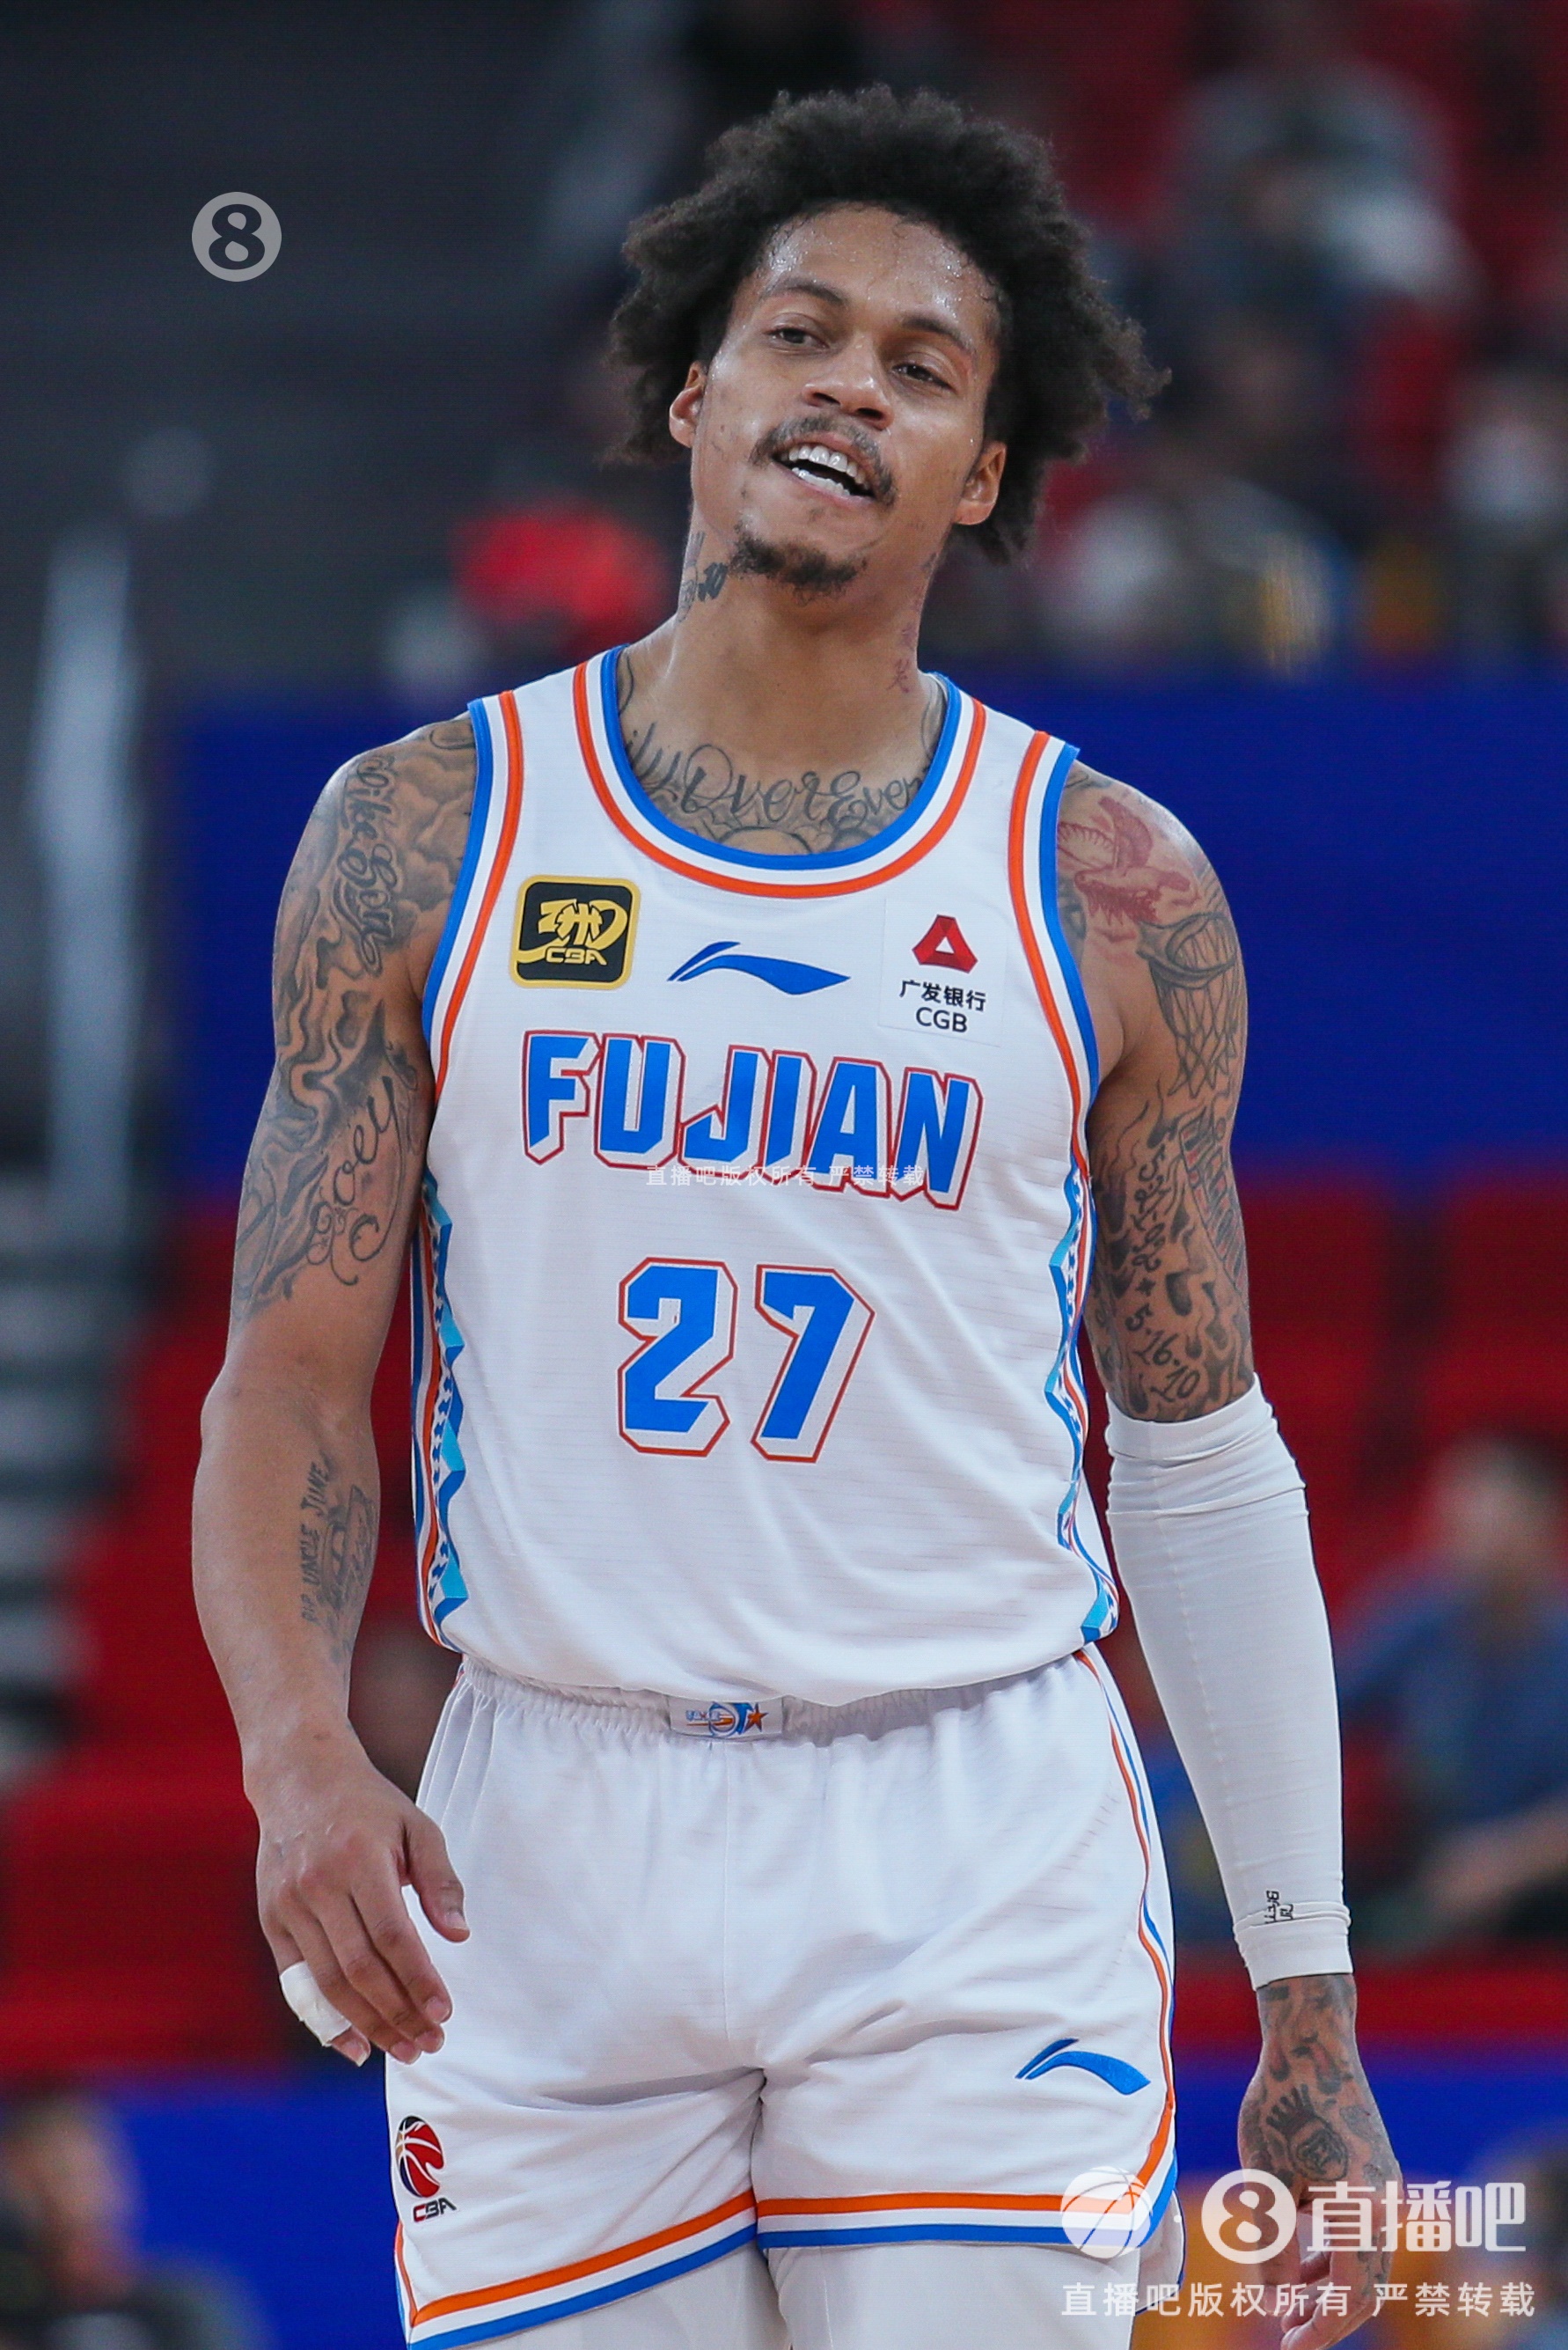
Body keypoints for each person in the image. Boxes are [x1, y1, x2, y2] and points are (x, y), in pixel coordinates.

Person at [193, 85, 1396, 2350]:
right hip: (549, 1814)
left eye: (921, 367)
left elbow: (1199, 1457)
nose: (848, 383)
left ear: (987, 475)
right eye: (798, 331)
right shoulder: (425, 833)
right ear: (693, 389)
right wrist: (295, 1750)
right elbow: (284, 1377)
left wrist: (1309, 2006)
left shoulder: (1109, 889)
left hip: (969, 1827)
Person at [1340, 1431, 1568, 1950]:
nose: (1464, 1540)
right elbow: (1322, 1714)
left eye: (1487, 1523)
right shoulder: (1415, 1621)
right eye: (1455, 1520)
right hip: (1428, 1884)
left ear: (1541, 1526)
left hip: (1545, 1900)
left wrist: (1506, 1861)